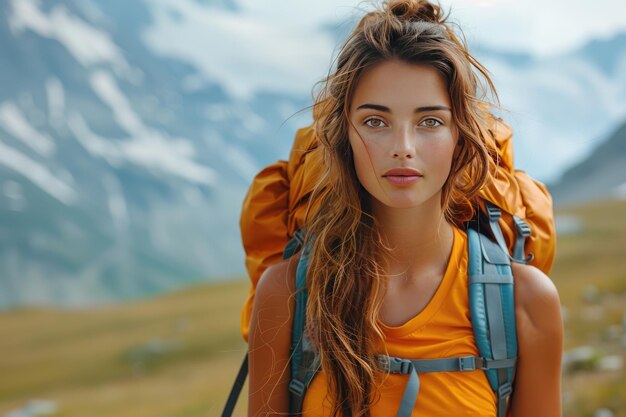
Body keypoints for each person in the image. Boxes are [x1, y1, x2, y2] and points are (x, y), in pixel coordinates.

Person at [247, 0, 564, 416]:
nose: (402, 148)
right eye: (375, 122)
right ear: (344, 135)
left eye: (429, 122)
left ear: (461, 137)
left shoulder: (525, 300)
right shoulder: (287, 293)